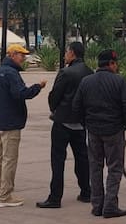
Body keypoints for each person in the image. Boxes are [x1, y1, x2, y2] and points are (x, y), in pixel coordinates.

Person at [76, 48, 126, 218]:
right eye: (115, 64)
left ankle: (97, 205)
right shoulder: (119, 81)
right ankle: (110, 205)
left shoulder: (86, 81)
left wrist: (86, 123)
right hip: (114, 130)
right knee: (115, 167)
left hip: (93, 130)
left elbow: (77, 106)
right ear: (111, 64)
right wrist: (125, 124)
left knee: (95, 167)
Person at [0, 43, 45, 208]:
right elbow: (21, 93)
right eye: (21, 54)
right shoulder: (12, 73)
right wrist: (37, 87)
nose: (23, 58)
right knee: (9, 160)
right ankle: (5, 196)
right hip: (10, 122)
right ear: (12, 54)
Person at [38, 41, 92, 208]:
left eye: (66, 51)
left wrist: (55, 110)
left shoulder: (66, 72)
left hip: (63, 121)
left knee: (58, 160)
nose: (64, 55)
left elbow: (55, 96)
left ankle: (55, 197)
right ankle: (86, 192)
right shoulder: (90, 72)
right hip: (81, 123)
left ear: (72, 53)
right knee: (82, 159)